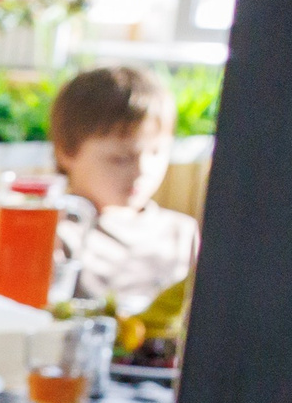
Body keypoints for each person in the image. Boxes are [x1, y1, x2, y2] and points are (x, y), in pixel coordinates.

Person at [49, 64, 200, 314]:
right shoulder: (57, 234)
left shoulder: (183, 234)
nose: (142, 170)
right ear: (66, 151)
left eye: (156, 152)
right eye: (120, 158)